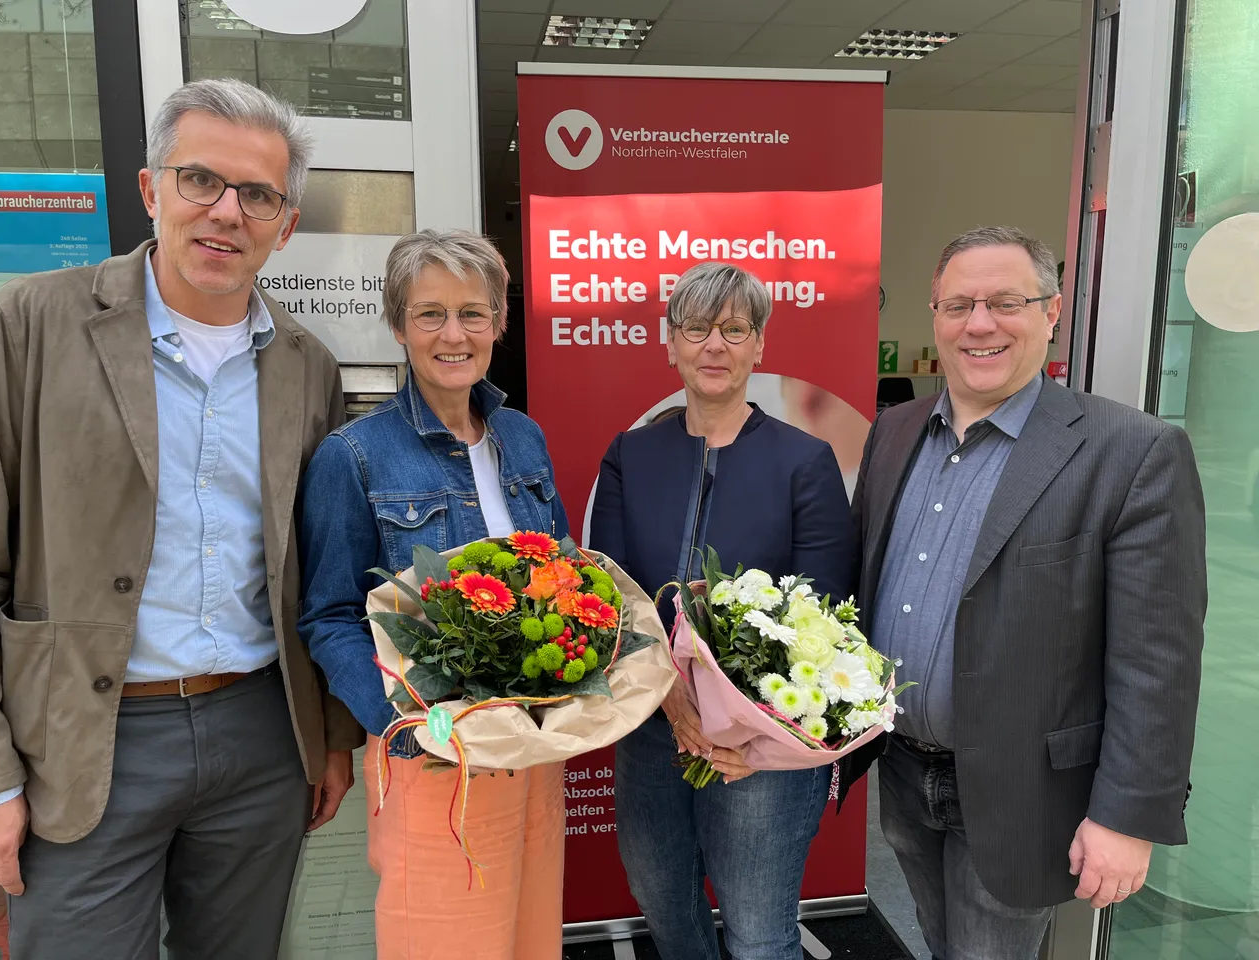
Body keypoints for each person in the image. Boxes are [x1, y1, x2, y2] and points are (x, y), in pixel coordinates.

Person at [0, 78, 361, 958]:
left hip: (262, 736)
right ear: (153, 190)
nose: (226, 212)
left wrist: (331, 740)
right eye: (201, 181)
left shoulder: (307, 366)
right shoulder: (29, 326)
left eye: (257, 195)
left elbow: (323, 570)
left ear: (285, 224)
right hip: (82, 743)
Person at [852, 226, 1207, 960]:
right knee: (938, 943)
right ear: (935, 316)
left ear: (1051, 312)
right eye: (958, 305)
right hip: (904, 771)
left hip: (1028, 793)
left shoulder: (1132, 453)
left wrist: (1127, 817)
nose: (979, 324)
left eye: (1005, 302)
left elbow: (1158, 659)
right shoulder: (893, 431)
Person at [298, 229, 570, 960]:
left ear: (498, 324)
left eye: (473, 314)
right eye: (430, 314)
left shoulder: (524, 438)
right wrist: (404, 721)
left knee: (531, 939)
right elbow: (328, 617)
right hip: (436, 760)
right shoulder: (352, 456)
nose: (455, 334)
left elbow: (569, 578)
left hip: (538, 755)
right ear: (398, 326)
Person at [588, 262, 857, 960]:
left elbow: (821, 611)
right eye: (698, 328)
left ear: (759, 345)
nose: (716, 345)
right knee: (663, 901)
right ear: (670, 341)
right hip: (653, 726)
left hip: (761, 740)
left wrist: (745, 722)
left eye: (735, 329)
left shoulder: (806, 460)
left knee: (760, 932)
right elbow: (610, 591)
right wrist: (676, 703)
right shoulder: (632, 455)